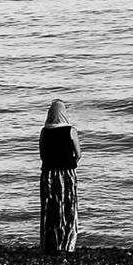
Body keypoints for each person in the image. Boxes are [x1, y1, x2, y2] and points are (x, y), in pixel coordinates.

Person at [40, 100, 82, 254]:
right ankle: (67, 244)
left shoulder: (44, 131)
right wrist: (68, 164)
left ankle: (50, 244)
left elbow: (42, 156)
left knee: (50, 208)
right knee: (68, 208)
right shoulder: (71, 131)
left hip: (49, 174)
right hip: (67, 174)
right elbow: (78, 155)